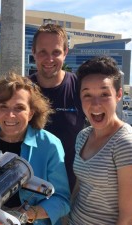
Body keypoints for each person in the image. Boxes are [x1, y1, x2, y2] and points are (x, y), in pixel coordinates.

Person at [0, 72, 70, 225]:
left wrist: (23, 215)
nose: (10, 115)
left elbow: (62, 200)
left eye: (19, 108)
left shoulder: (50, 145)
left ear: (31, 113)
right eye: (4, 107)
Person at [69, 56, 132, 224]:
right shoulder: (83, 136)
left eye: (104, 94)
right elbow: (81, 187)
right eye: (87, 95)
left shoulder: (127, 144)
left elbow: (129, 219)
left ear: (118, 94)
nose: (95, 104)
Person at [29, 23, 85, 192]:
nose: (49, 59)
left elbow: (104, 125)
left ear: (65, 53)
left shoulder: (79, 87)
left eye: (56, 52)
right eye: (43, 52)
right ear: (33, 53)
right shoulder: (23, 89)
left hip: (69, 189)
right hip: (28, 188)